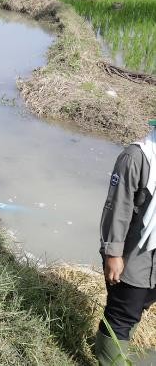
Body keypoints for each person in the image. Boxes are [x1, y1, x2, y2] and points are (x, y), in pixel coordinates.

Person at [96, 119, 156, 364]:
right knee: (121, 316)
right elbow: (117, 208)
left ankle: (112, 348)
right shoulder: (135, 158)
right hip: (133, 256)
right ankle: (110, 356)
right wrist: (113, 254)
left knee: (138, 308)